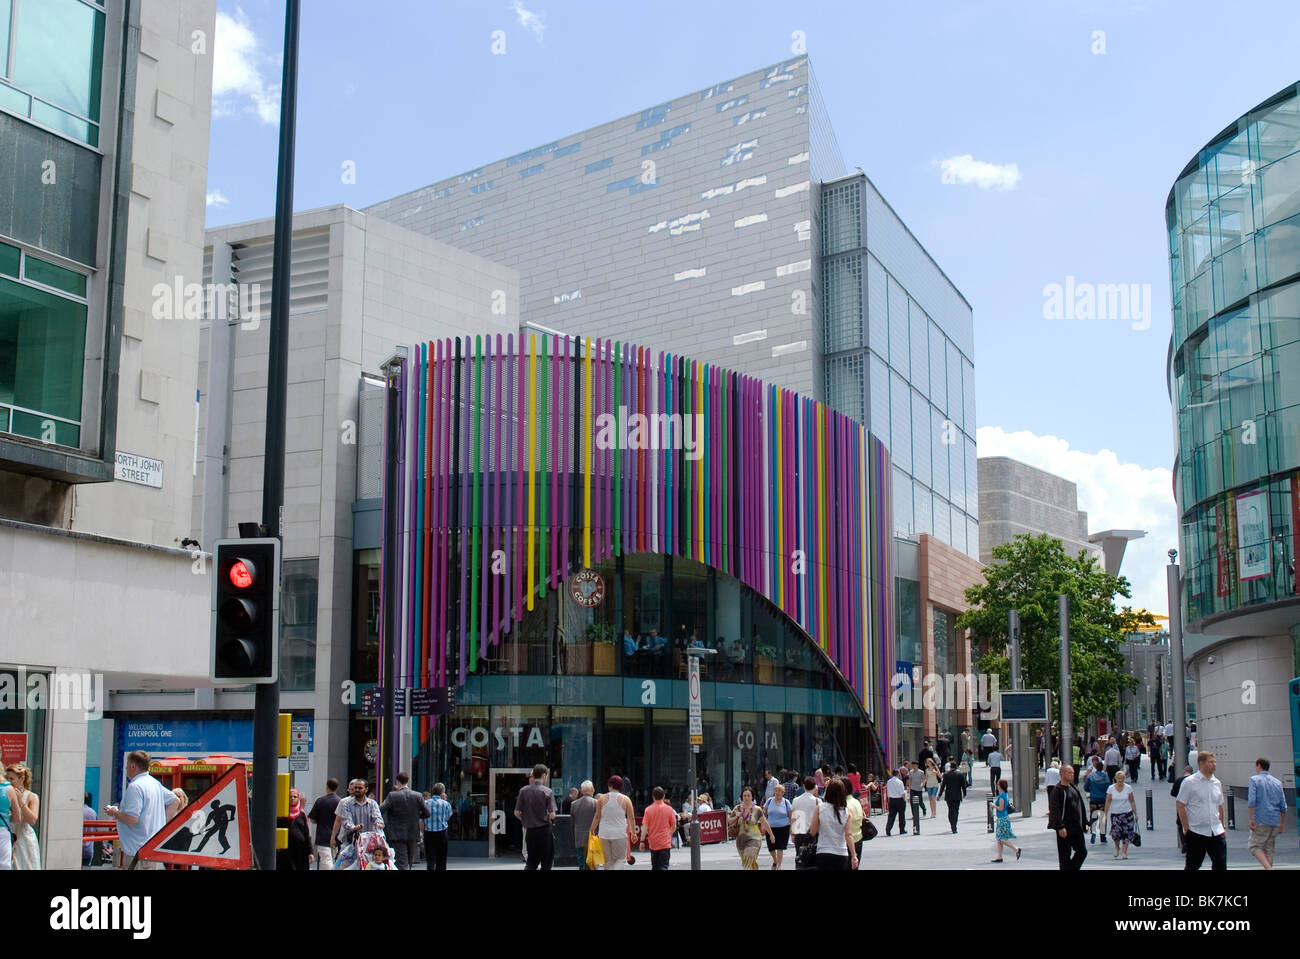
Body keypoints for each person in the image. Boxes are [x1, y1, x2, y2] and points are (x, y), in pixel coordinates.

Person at [104, 750, 177, 870]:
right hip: (151, 849)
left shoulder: (135, 786)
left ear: (133, 766)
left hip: (137, 852)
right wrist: (162, 826)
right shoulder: (154, 783)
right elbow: (175, 801)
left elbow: (132, 819)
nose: (126, 767)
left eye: (127, 764)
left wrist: (114, 812)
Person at [1177, 752, 1227, 871]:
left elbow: (1220, 806)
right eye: (1210, 762)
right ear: (1201, 763)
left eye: (1215, 762)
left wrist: (1222, 826)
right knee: (1192, 866)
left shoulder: (1217, 783)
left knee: (1220, 865)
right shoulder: (1190, 782)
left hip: (1216, 831)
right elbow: (1180, 804)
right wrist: (1186, 828)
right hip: (1196, 832)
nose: (1214, 765)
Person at [380, 771, 429, 870]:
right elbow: (427, 813)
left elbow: (380, 809)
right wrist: (416, 815)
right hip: (412, 833)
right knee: (409, 861)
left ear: (397, 781)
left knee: (401, 862)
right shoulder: (418, 795)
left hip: (396, 834)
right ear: (408, 781)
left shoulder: (392, 795)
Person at [515, 763, 557, 871]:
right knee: (546, 863)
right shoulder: (548, 791)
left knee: (531, 862)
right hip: (544, 831)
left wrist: (526, 820)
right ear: (544, 775)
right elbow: (552, 815)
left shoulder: (523, 791)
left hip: (530, 831)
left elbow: (516, 813)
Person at [808, 778, 858, 870]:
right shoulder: (846, 812)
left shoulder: (820, 808)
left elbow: (813, 831)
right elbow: (849, 835)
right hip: (841, 853)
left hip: (823, 851)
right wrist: (854, 855)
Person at [331, 778, 384, 862]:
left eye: (360, 788)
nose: (357, 790)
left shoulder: (372, 804)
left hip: (369, 845)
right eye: (355, 788)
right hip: (351, 844)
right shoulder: (346, 804)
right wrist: (354, 827)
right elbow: (346, 821)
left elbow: (377, 817)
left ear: (366, 789)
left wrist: (379, 823)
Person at [1247, 757, 1286, 870]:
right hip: (1275, 820)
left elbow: (1252, 801)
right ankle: (1268, 867)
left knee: (1254, 846)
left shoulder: (1254, 780)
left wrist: (1251, 818)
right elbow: (1283, 805)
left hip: (1261, 818)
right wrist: (1282, 824)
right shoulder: (1277, 782)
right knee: (1268, 849)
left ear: (1259, 765)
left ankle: (1269, 869)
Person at [590, 776, 636, 870]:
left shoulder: (601, 799)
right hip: (619, 834)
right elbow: (631, 818)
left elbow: (597, 816)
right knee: (620, 860)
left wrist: (592, 829)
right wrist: (633, 833)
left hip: (604, 834)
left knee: (607, 861)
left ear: (610, 786)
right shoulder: (626, 799)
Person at [1047, 765, 1088, 871]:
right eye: (1069, 773)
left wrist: (1085, 821)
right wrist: (1060, 826)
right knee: (1065, 856)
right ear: (1062, 773)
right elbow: (1054, 809)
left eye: (1073, 773)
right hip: (1065, 827)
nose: (1072, 775)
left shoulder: (1073, 787)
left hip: (1076, 826)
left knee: (1082, 852)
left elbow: (1081, 805)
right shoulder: (1057, 790)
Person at [4, 762, 40, 869]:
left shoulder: (31, 796)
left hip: (24, 838)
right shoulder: (5, 795)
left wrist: (20, 802)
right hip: (8, 836)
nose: (8, 781)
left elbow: (32, 820)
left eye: (12, 779)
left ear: (21, 779)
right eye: (7, 778)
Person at [728, 786, 774, 869]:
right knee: (747, 863)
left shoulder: (757, 809)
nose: (746, 797)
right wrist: (736, 816)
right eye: (744, 795)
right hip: (740, 840)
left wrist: (771, 834)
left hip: (754, 839)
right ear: (742, 797)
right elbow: (729, 821)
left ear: (752, 797)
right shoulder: (737, 808)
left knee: (748, 860)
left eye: (748, 795)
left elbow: (764, 822)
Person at [638, 786, 678, 870]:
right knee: (663, 866)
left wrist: (642, 841)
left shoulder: (648, 810)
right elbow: (674, 826)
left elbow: (644, 827)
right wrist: (668, 834)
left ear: (653, 797)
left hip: (653, 842)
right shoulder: (669, 809)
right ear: (663, 796)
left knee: (655, 866)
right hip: (665, 842)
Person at [308, 778, 341, 870]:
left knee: (325, 861)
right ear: (337, 788)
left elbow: (312, 819)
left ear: (327, 787)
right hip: (337, 837)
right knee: (336, 860)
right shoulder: (341, 802)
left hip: (322, 836)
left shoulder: (320, 801)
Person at [1104, 770, 1137, 859]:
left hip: (1127, 814)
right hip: (1115, 814)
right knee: (1116, 833)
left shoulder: (1128, 788)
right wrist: (1105, 815)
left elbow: (1132, 801)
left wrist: (1135, 814)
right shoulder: (1111, 788)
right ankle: (1117, 847)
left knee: (1127, 833)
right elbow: (1107, 802)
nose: (1120, 780)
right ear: (1115, 778)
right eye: (1118, 778)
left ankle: (1124, 852)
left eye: (1122, 778)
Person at [278, 788, 313, 870]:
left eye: (295, 797)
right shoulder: (282, 814)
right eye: (290, 796)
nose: (292, 798)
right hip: (286, 851)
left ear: (298, 799)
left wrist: (310, 852)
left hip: (300, 850)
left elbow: (306, 834)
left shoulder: (301, 814)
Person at [790, 776, 821, 869]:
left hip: (800, 832)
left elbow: (793, 817)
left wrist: (792, 833)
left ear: (804, 786)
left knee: (800, 857)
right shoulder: (817, 801)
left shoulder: (796, 800)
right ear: (814, 786)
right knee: (813, 858)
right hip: (813, 833)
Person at [423, 783, 453, 871]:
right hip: (442, 833)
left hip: (429, 833)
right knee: (442, 859)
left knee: (430, 859)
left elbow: (422, 819)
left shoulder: (425, 803)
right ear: (442, 792)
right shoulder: (446, 804)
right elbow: (448, 817)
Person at [763, 782, 793, 869]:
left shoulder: (786, 802)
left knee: (780, 847)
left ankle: (779, 865)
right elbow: (764, 812)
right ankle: (775, 860)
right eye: (776, 790)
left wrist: (791, 827)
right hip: (770, 827)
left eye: (780, 791)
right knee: (771, 847)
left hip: (783, 827)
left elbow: (790, 815)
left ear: (783, 793)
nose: (777, 792)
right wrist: (763, 824)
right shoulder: (769, 801)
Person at [991, 779, 1021, 862]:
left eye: (997, 784)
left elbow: (1001, 808)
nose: (997, 786)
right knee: (999, 838)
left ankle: (1016, 849)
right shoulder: (1005, 794)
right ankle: (999, 856)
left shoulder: (1001, 796)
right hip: (1004, 818)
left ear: (1000, 786)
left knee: (1000, 838)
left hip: (1002, 818)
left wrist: (993, 805)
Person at [570, 781, 598, 870]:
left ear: (582, 791)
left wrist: (574, 836)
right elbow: (599, 821)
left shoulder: (574, 804)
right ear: (592, 790)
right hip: (592, 838)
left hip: (579, 838)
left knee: (581, 863)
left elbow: (572, 823)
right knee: (592, 864)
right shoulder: (596, 803)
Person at [1084, 760, 1110, 844]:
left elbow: (1086, 787)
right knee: (1102, 818)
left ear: (1095, 767)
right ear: (1102, 768)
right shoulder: (1105, 777)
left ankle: (1093, 832)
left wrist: (1091, 791)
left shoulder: (1091, 776)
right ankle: (1103, 837)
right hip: (1102, 800)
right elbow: (1108, 788)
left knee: (1093, 817)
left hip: (1093, 799)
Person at [938, 759, 966, 833]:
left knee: (950, 811)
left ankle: (952, 825)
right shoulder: (960, 774)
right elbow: (963, 785)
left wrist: (939, 795)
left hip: (949, 795)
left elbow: (943, 785)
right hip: (957, 795)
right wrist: (964, 793)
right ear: (956, 766)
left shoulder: (946, 774)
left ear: (950, 767)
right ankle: (954, 826)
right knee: (956, 811)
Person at [1171, 765, 1194, 852]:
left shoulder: (1178, 781)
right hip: (1193, 806)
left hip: (1181, 806)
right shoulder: (1195, 781)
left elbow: (1173, 793)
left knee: (1180, 824)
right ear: (1192, 772)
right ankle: (1191, 843)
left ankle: (1184, 842)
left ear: (1184, 771)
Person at [844, 779, 866, 868]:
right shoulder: (856, 801)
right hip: (858, 838)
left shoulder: (845, 804)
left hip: (848, 841)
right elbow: (864, 816)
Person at [884, 769, 907, 836]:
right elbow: (902, 792)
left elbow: (888, 791)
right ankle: (902, 829)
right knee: (901, 815)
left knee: (891, 816)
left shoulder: (889, 782)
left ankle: (888, 829)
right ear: (898, 774)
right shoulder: (900, 782)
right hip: (899, 800)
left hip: (892, 800)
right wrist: (904, 799)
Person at [908, 762, 925, 835]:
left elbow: (924, 779)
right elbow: (910, 780)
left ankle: (924, 809)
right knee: (912, 802)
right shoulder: (911, 772)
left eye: (915, 766)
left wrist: (922, 784)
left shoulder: (921, 772)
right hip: (913, 789)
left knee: (920, 802)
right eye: (913, 766)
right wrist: (909, 788)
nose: (914, 767)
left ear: (917, 766)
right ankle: (914, 814)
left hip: (919, 789)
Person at [83, 793, 98, 868]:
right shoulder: (93, 812)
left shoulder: (76, 812)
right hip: (89, 849)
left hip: (76, 848)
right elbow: (96, 830)